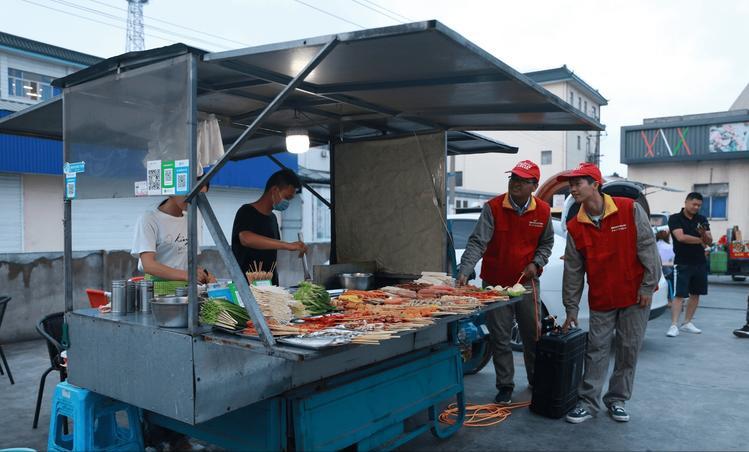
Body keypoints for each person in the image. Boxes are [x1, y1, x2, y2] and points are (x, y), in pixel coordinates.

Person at [559, 163, 661, 424]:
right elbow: (573, 270)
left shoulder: (629, 209)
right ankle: (588, 402)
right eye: (571, 184)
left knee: (628, 350)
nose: (573, 188)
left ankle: (617, 400)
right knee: (596, 350)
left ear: (595, 184)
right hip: (602, 297)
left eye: (578, 182)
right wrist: (571, 308)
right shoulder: (575, 226)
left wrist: (648, 285)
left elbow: (648, 250)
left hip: (635, 296)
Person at [457, 160, 554, 405]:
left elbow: (547, 243)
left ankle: (536, 381)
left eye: (522, 181)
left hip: (526, 284)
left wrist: (537, 262)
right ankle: (505, 386)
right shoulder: (493, 207)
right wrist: (465, 269)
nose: (516, 184)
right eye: (513, 179)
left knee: (533, 335)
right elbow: (478, 241)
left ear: (534, 185)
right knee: (500, 338)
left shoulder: (542, 211)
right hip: (495, 284)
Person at [131, 183, 216, 295]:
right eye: (190, 194)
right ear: (174, 190)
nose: (194, 200)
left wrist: (204, 274)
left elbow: (186, 262)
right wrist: (187, 275)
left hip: (186, 290)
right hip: (155, 292)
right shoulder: (149, 219)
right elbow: (148, 265)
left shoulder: (193, 218)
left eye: (200, 197)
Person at [231, 169, 307, 285]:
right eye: (286, 197)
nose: (287, 202)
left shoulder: (272, 218)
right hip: (247, 285)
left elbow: (271, 246)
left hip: (270, 284)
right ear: (275, 190)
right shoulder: (246, 211)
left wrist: (294, 246)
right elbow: (246, 239)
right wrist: (287, 245)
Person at [666, 192, 712, 337]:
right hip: (682, 262)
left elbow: (710, 240)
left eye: (699, 205)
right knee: (679, 294)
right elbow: (681, 237)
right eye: (694, 204)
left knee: (696, 293)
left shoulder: (702, 219)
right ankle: (674, 325)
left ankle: (687, 322)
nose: (696, 207)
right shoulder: (675, 218)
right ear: (686, 202)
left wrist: (703, 235)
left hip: (699, 262)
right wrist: (701, 240)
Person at [656, 230, 675, 306]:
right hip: (666, 271)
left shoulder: (655, 246)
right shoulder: (670, 247)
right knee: (674, 276)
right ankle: (672, 298)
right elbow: (673, 260)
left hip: (657, 270)